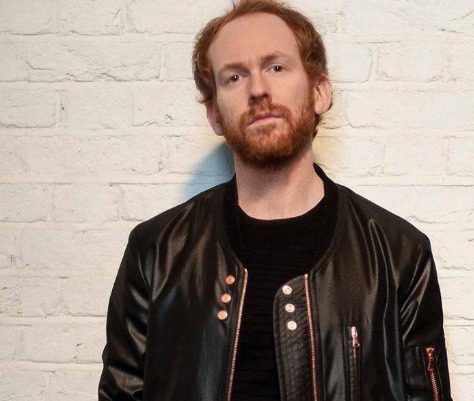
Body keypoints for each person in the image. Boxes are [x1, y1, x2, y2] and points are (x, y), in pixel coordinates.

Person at [98, 1, 452, 400]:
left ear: (319, 92)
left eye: (276, 67)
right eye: (234, 77)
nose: (258, 89)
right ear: (214, 114)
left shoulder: (399, 254)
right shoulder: (157, 251)